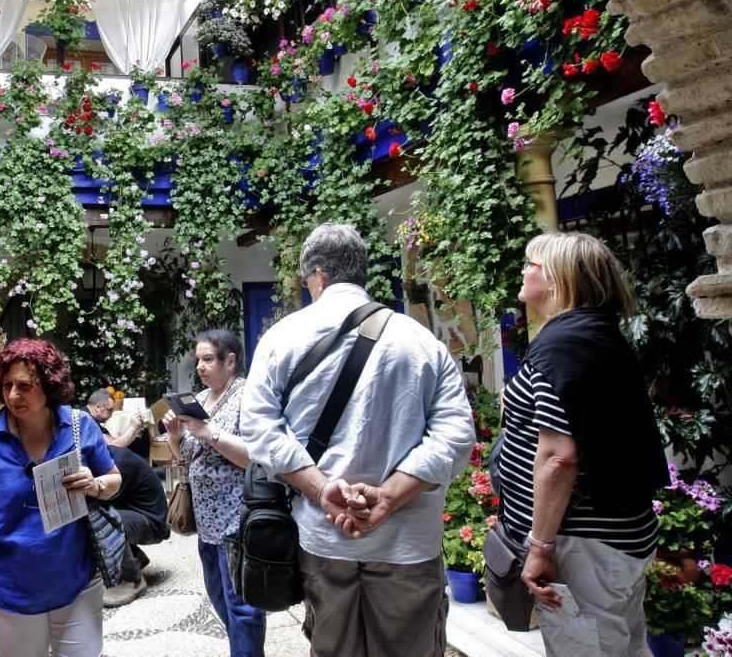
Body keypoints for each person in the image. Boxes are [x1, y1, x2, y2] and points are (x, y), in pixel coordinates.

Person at [240, 223, 475, 657]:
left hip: (324, 537)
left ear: (318, 276)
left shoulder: (281, 339)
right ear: (361, 273)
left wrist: (322, 489)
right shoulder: (422, 341)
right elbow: (457, 436)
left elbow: (258, 428)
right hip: (408, 542)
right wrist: (387, 497)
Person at [498, 231, 666, 656]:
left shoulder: (563, 345)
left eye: (529, 263)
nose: (522, 270)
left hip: (583, 545)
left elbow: (558, 458)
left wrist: (539, 547)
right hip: (610, 539)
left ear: (554, 277)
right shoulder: (592, 335)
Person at [0, 338, 122, 656]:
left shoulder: (79, 426)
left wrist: (95, 484)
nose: (13, 395)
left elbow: (114, 480)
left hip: (76, 583)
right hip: (11, 589)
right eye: (7, 385)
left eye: (25, 386)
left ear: (50, 386)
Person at [163, 329, 266, 657]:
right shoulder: (202, 399)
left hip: (237, 518)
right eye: (199, 361)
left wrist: (211, 433)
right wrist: (176, 435)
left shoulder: (247, 395)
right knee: (219, 597)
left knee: (242, 606)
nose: (201, 367)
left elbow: (252, 457)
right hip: (205, 520)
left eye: (208, 359)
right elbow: (182, 459)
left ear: (230, 360)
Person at [102, 445, 169, 607]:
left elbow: (102, 507)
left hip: (153, 524)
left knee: (103, 521)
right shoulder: (107, 456)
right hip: (138, 514)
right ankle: (136, 556)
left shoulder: (118, 465)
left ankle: (134, 579)